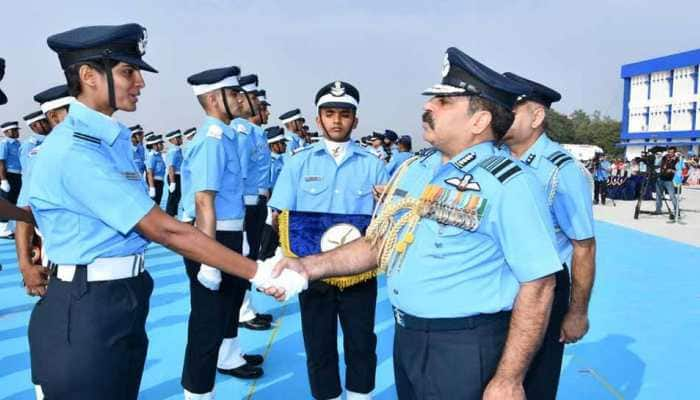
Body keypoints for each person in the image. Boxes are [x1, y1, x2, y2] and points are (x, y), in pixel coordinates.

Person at [25, 24, 305, 400]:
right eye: (127, 71)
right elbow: (163, 229)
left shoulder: (110, 140)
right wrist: (258, 272)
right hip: (86, 305)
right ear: (89, 76)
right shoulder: (75, 149)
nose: (139, 81)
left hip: (121, 296)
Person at [267, 47, 562, 400]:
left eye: (443, 102)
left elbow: (540, 283)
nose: (428, 107)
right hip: (407, 337)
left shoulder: (510, 184)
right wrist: (307, 266)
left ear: (479, 120)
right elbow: (378, 242)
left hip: (466, 347)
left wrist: (509, 379)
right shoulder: (416, 169)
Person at [269, 80, 388, 400]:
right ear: (318, 119)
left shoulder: (374, 165)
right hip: (313, 270)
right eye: (330, 113)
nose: (337, 120)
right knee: (318, 345)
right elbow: (281, 214)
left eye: (345, 114)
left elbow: (387, 218)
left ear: (355, 120)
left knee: (362, 343)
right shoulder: (298, 162)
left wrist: (387, 198)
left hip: (357, 272)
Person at [501, 71, 596, 400]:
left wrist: (577, 311)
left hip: (544, 289)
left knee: (534, 384)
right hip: (497, 287)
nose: (499, 115)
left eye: (509, 110)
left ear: (537, 116)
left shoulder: (561, 169)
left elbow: (583, 246)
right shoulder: (495, 160)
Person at [181, 66, 271, 399]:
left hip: (228, 234)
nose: (241, 98)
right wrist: (208, 259)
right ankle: (198, 393)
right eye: (233, 94)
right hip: (211, 237)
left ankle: (229, 355)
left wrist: (242, 238)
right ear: (215, 99)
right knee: (206, 326)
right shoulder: (211, 140)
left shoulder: (227, 134)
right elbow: (204, 201)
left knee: (228, 305)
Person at [0, 121, 23, 204]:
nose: (17, 132)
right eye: (13, 130)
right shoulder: (4, 144)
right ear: (6, 132)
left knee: (17, 199)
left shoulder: (18, 143)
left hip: (18, 175)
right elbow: (1, 162)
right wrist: (3, 180)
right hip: (9, 175)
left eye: (17, 130)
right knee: (8, 201)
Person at [656, 146, 679, 219]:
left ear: (674, 153)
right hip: (660, 178)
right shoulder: (664, 157)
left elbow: (679, 171)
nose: (670, 153)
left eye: (672, 152)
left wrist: (672, 170)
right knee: (658, 195)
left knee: (672, 196)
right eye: (669, 152)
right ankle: (658, 210)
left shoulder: (677, 160)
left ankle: (677, 210)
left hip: (669, 180)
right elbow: (658, 165)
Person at [164, 129, 183, 216]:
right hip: (174, 176)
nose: (181, 139)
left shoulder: (178, 150)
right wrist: (172, 182)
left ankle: (173, 216)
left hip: (178, 176)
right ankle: (169, 216)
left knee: (176, 198)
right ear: (173, 140)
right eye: (178, 137)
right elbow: (171, 167)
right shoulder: (173, 152)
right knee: (172, 198)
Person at [145, 133, 166, 206]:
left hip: (160, 182)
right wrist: (152, 187)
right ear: (154, 145)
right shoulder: (152, 157)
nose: (162, 145)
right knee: (154, 205)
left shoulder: (159, 156)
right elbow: (150, 173)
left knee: (158, 203)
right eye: (160, 144)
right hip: (155, 182)